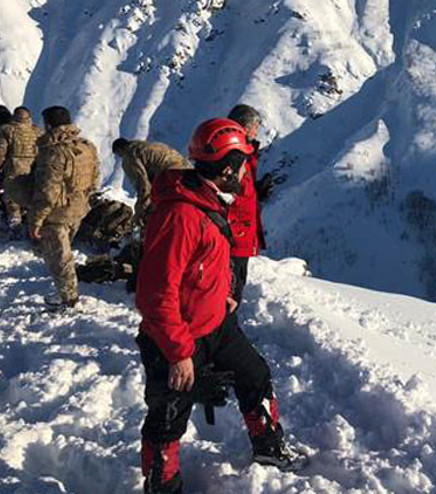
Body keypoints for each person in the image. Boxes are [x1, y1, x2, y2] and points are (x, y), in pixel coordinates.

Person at [134, 118, 304, 494]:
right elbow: (154, 292)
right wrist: (178, 352)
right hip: (177, 338)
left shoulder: (208, 200)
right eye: (243, 162)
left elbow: (208, 259)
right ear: (227, 168)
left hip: (215, 322)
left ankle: (269, 447)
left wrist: (221, 293)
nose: (247, 170)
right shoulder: (181, 215)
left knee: (255, 374)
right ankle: (162, 487)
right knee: (168, 419)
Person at [28, 106, 100, 310]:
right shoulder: (87, 146)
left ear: (49, 124)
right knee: (64, 253)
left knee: (60, 257)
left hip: (57, 213)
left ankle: (69, 299)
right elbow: (95, 178)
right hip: (79, 208)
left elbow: (46, 192)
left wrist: (35, 220)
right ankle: (67, 292)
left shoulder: (53, 152)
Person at [225, 104, 275, 305]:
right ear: (245, 128)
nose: (257, 132)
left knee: (233, 288)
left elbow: (240, 191)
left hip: (238, 236)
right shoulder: (235, 156)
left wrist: (256, 192)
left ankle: (222, 330)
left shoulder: (240, 154)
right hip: (234, 237)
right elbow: (225, 195)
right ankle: (220, 332)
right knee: (229, 291)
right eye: (255, 127)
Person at [112, 137, 190, 226]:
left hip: (172, 175)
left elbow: (143, 185)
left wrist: (139, 213)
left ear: (120, 150)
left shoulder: (129, 155)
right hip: (187, 169)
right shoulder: (145, 146)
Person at [0, 106, 42, 235]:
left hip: (14, 165)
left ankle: (15, 222)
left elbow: (1, 151)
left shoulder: (7, 130)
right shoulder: (37, 131)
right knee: (30, 192)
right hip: (33, 167)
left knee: (11, 195)